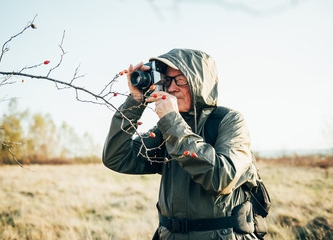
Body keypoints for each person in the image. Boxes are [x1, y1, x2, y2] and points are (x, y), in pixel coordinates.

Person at [103, 49, 259, 239]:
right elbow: (116, 157)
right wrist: (135, 102)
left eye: (181, 79)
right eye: (167, 81)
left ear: (200, 82)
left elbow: (222, 178)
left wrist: (171, 121)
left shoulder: (230, 121)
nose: (172, 88)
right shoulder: (166, 129)